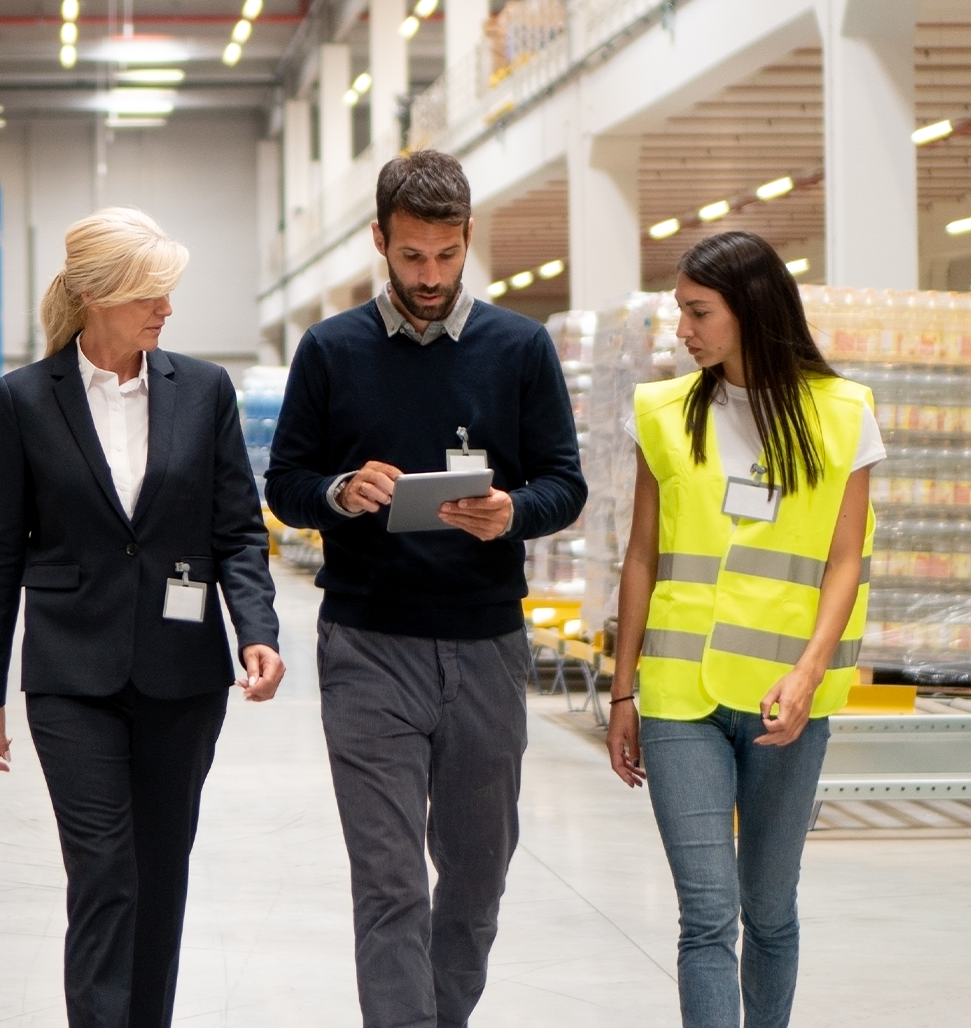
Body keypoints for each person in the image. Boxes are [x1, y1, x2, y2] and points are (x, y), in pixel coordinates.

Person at [264, 150, 586, 1028]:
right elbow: (285, 482)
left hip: (484, 648)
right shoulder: (330, 351)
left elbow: (565, 483)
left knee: (477, 877)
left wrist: (511, 512)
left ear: (468, 240)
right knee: (391, 882)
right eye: (412, 257)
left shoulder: (519, 348)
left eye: (446, 257)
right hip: (368, 648)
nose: (431, 277)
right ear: (380, 241)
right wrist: (340, 493)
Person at [0, 207, 286, 1028]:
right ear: (100, 295)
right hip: (72, 674)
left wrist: (257, 631)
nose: (166, 310)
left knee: (160, 872)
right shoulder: (26, 400)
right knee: (104, 871)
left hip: (183, 674)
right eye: (152, 293)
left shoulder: (203, 390)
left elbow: (238, 531)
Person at [604, 230, 880, 1028]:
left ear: (750, 310)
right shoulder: (661, 412)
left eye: (698, 313)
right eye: (679, 312)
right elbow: (640, 559)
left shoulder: (843, 413)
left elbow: (843, 562)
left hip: (783, 703)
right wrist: (622, 692)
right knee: (706, 916)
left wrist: (807, 676)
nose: (682, 331)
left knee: (769, 910)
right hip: (678, 700)